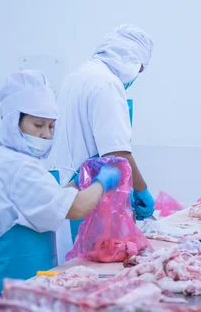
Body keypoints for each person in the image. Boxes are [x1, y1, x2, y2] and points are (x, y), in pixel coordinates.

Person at [0, 71, 120, 293]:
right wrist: (102, 183)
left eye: (51, 127)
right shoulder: (17, 165)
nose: (45, 134)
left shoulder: (15, 159)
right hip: (9, 285)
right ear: (15, 122)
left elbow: (50, 201)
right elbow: (75, 208)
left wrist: (77, 183)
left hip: (25, 282)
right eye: (38, 124)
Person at [50, 24, 155, 264]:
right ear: (132, 61)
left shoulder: (76, 77)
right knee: (88, 269)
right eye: (139, 69)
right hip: (87, 194)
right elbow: (118, 154)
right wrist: (142, 190)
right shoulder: (106, 83)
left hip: (65, 185)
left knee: (70, 267)